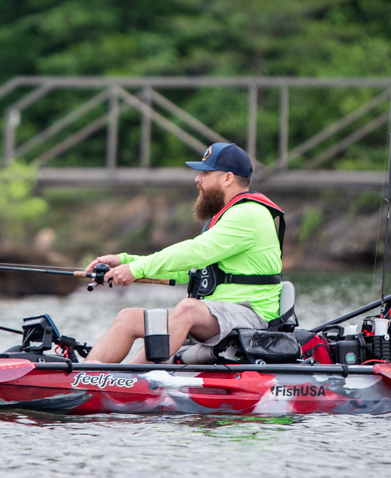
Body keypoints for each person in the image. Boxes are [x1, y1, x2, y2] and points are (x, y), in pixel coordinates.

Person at [84, 142, 284, 364]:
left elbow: (194, 252)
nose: (197, 179)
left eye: (205, 173)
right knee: (128, 318)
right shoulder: (230, 215)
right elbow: (189, 270)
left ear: (227, 178)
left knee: (188, 308)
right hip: (215, 316)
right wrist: (124, 262)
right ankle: (85, 376)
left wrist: (135, 269)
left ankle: (130, 378)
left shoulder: (248, 213)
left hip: (251, 316)